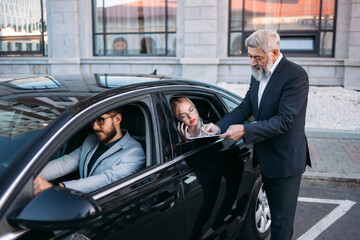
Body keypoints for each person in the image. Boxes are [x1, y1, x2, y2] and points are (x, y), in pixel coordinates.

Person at [205, 29, 311, 240]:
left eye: (257, 57)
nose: (252, 62)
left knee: (281, 224)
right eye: (250, 56)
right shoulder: (258, 73)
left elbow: (285, 120)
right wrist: (218, 126)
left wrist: (245, 130)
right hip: (264, 158)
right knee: (271, 214)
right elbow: (245, 107)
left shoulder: (296, 76)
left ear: (274, 52)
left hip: (285, 163)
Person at [33, 108, 145, 195]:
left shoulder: (134, 152)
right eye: (93, 121)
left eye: (101, 120)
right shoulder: (91, 139)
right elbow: (64, 163)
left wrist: (57, 188)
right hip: (80, 200)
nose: (95, 127)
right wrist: (31, 175)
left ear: (117, 119)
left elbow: (106, 180)